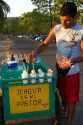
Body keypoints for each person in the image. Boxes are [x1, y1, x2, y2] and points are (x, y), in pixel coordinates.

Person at [27, 2, 83, 125]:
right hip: (59, 68)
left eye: (67, 20)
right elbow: (45, 43)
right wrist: (34, 52)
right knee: (62, 93)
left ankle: (69, 122)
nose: (63, 23)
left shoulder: (81, 31)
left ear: (75, 17)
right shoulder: (57, 28)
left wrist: (73, 60)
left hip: (72, 71)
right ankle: (63, 110)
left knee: (71, 98)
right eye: (61, 19)